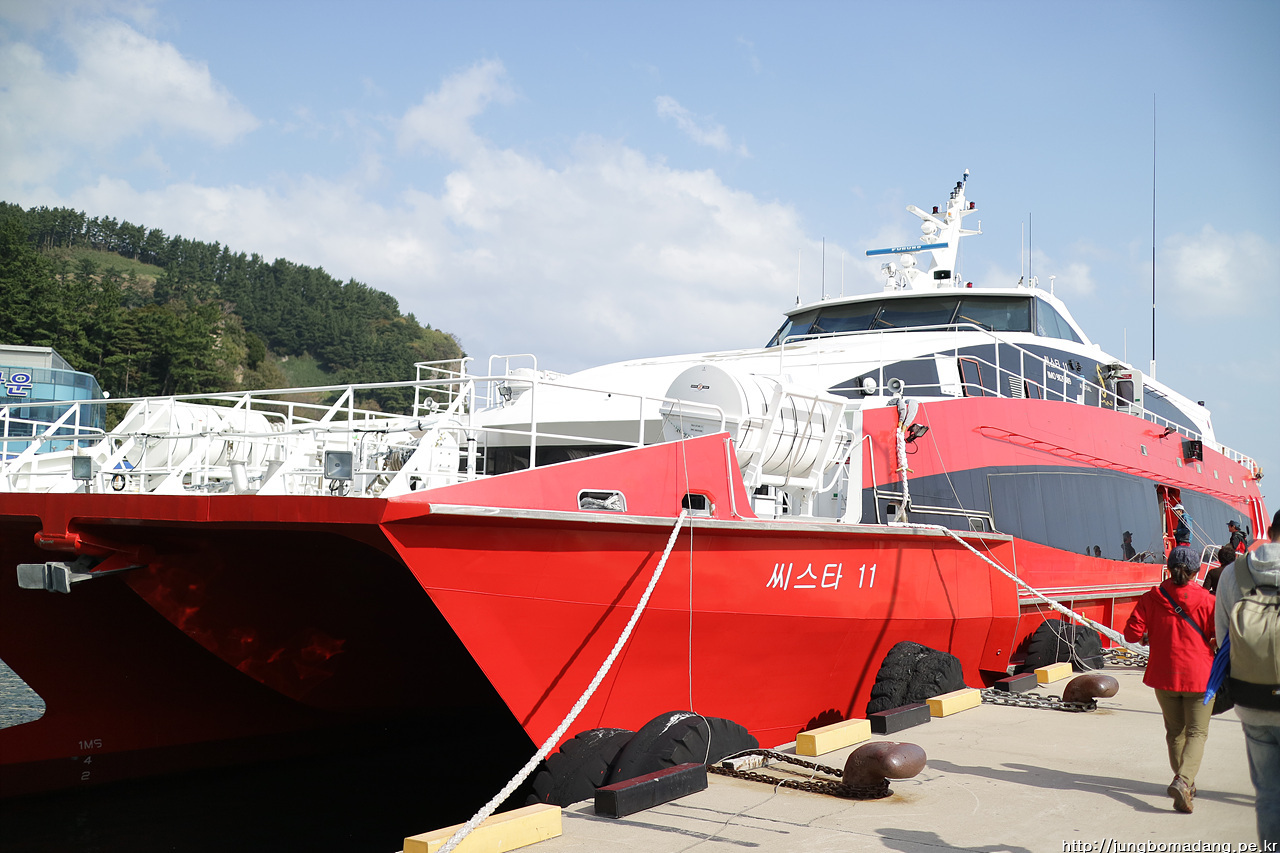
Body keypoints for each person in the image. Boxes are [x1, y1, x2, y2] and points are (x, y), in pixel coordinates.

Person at [1124, 547, 1215, 813]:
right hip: (1199, 676)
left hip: (1164, 675)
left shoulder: (1151, 597)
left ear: (1168, 568)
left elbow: (1131, 634)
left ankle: (1185, 782)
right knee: (1197, 732)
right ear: (1197, 571)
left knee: (1175, 732)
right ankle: (1184, 781)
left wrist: (1150, 633)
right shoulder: (1208, 600)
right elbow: (1220, 637)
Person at [1215, 510, 1280, 844]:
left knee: (1268, 794)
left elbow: (1223, 638)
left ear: (1269, 530)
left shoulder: (1233, 573)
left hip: (1251, 699)